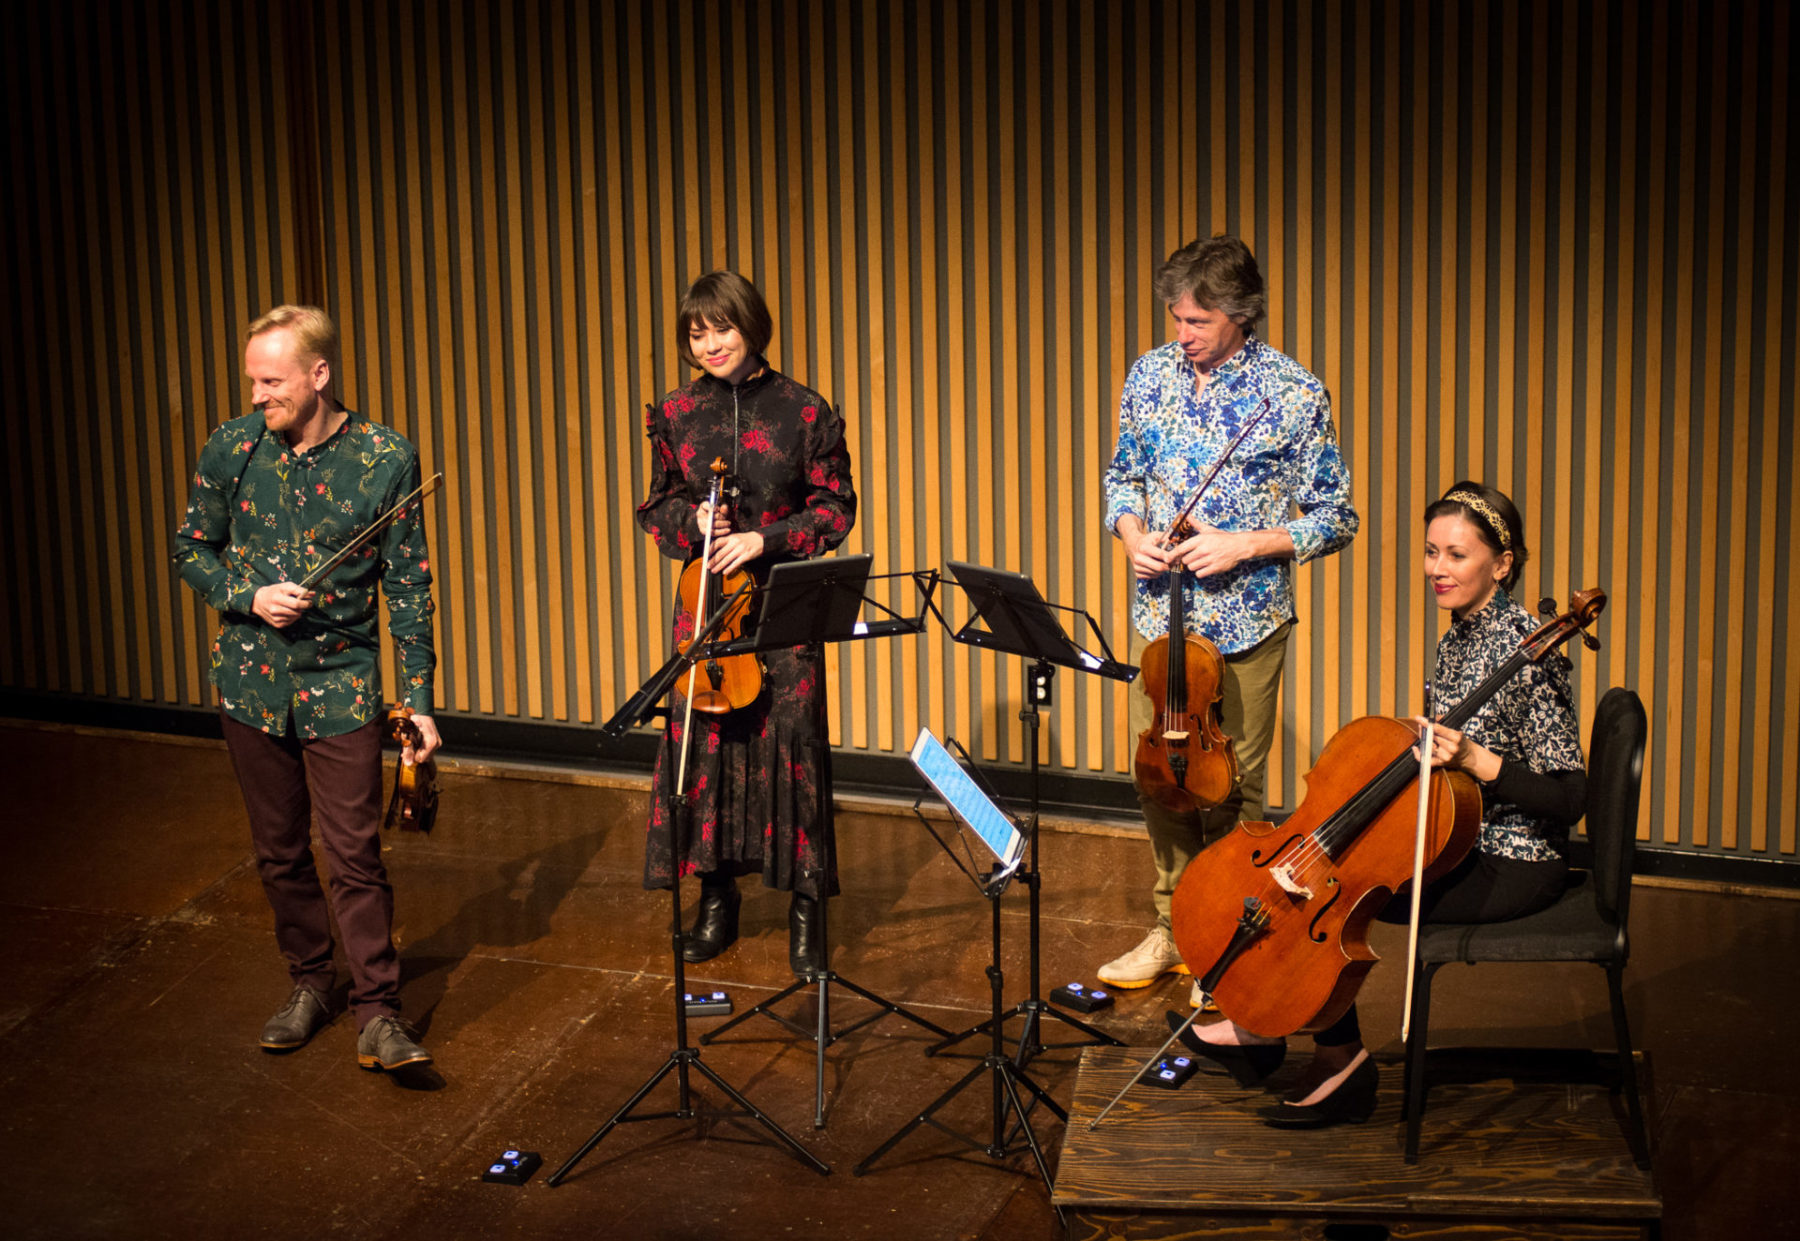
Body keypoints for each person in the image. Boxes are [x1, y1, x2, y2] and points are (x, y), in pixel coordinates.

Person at [1171, 481, 1587, 1128]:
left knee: (1340, 895)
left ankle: (1338, 1063)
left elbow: (1569, 796)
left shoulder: (1533, 652)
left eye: (1455, 555)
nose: (1436, 569)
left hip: (1514, 856)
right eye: (1430, 552)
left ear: (1502, 564)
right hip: (1459, 834)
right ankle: (1264, 1025)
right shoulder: (1463, 633)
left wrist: (1477, 759)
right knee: (1330, 870)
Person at [172, 305, 441, 1072]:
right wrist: (246, 595)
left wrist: (418, 700)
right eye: (253, 379)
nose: (258, 394)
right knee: (279, 852)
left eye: (272, 380)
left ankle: (379, 1011)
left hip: (341, 686)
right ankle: (310, 981)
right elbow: (192, 547)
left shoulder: (386, 456)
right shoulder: (232, 446)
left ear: (318, 375)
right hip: (252, 685)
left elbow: (410, 586)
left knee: (354, 852)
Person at [1099, 235, 1359, 1004]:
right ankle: (1173, 928)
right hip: (1163, 622)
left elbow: (1336, 517)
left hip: (1246, 623)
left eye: (1198, 320)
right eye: (1176, 316)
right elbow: (1122, 477)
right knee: (1161, 777)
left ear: (1241, 315)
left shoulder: (1295, 393)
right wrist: (1132, 534)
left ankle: (1231, 935)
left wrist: (1247, 542)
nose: (1182, 332)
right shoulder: (1148, 376)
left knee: (1229, 786)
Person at [635, 271, 856, 974]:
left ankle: (805, 915)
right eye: (697, 334)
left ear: (751, 327)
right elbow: (657, 506)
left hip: (783, 604)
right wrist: (692, 519)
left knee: (791, 748)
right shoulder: (674, 411)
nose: (710, 344)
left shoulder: (805, 411)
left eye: (722, 329)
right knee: (709, 747)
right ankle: (716, 903)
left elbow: (836, 509)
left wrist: (766, 539)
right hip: (706, 601)